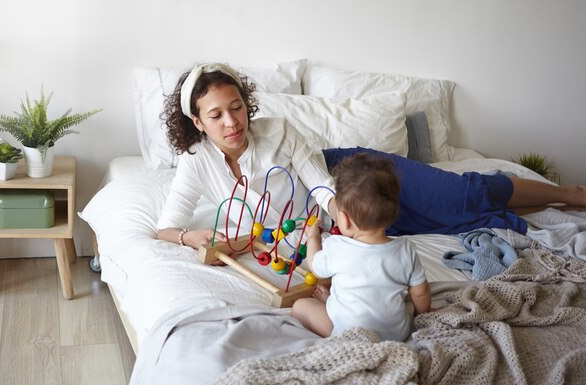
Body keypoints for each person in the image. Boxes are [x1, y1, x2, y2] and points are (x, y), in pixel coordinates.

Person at [156, 62, 586, 248]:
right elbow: (166, 227)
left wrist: (340, 213)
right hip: (339, 223)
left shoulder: (278, 131)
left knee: (459, 196)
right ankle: (544, 199)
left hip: (350, 176)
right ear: (198, 122)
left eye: (237, 108)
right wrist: (190, 237)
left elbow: (320, 181)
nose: (233, 122)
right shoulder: (196, 163)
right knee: (448, 221)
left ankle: (567, 194)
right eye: (217, 115)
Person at [291, 153, 431, 339]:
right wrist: (421, 314)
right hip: (396, 335)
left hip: (350, 334)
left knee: (300, 306)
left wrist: (313, 237)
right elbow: (420, 292)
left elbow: (315, 265)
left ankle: (332, 307)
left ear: (345, 220)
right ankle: (332, 302)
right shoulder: (406, 249)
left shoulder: (336, 247)